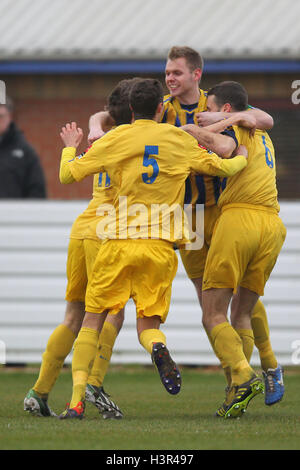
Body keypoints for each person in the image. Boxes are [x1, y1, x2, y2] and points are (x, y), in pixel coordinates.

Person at [88, 46, 281, 409]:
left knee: (240, 296)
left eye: (176, 73)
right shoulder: (162, 108)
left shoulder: (218, 102)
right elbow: (109, 110)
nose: (170, 79)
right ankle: (237, 380)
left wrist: (228, 120)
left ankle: (268, 366)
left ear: (196, 74)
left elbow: (266, 119)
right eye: (167, 73)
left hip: (225, 210)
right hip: (188, 215)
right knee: (210, 300)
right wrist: (96, 126)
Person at [57, 78, 248, 419]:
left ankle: (75, 402)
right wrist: (244, 158)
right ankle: (158, 348)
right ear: (161, 108)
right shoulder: (177, 137)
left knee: (92, 320)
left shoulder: (116, 137)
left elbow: (68, 176)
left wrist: (70, 146)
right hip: (160, 247)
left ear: (131, 109)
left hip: (116, 242)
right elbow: (224, 166)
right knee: (148, 324)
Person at [23, 79, 140, 420]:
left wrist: (91, 126)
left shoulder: (102, 137)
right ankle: (85, 392)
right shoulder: (139, 139)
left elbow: (101, 117)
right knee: (108, 315)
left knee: (73, 316)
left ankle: (39, 390)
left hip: (84, 227)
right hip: (109, 233)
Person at [195, 81, 286, 418]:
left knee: (212, 312)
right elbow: (263, 117)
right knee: (242, 313)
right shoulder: (263, 132)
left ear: (228, 109)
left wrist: (197, 131)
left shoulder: (237, 128)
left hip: (239, 221)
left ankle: (243, 377)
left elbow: (220, 147)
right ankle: (239, 393)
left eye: (213, 106)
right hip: (272, 226)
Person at [0, 98, 46, 198]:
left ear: (9, 117)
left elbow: (37, 190)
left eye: (1, 116)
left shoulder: (25, 152)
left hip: (13, 212)